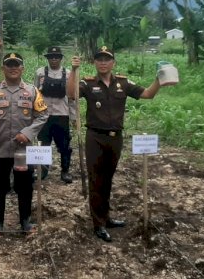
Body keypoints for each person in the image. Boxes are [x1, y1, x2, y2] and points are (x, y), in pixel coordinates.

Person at [67, 46, 167, 242]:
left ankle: (106, 217)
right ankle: (98, 224)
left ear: (113, 63)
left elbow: (147, 94)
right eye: (99, 59)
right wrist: (72, 70)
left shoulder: (123, 83)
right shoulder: (87, 83)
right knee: (96, 180)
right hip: (95, 137)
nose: (103, 62)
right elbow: (71, 94)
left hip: (116, 138)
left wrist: (159, 79)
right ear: (95, 63)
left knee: (108, 179)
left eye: (107, 59)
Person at [0, 53, 48, 236]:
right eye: (9, 65)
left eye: (16, 65)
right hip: (0, 148)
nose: (13, 68)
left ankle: (25, 221)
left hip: (23, 151)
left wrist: (27, 133)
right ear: (3, 68)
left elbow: (43, 115)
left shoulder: (32, 91)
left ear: (22, 68)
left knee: (24, 186)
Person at [34, 46, 76, 183]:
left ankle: (65, 171)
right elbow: (35, 94)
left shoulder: (69, 74)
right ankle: (43, 171)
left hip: (62, 114)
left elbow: (72, 97)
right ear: (47, 58)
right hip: (44, 115)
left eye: (56, 57)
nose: (54, 59)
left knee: (64, 145)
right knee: (43, 144)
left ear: (60, 58)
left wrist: (74, 117)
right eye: (51, 57)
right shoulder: (40, 72)